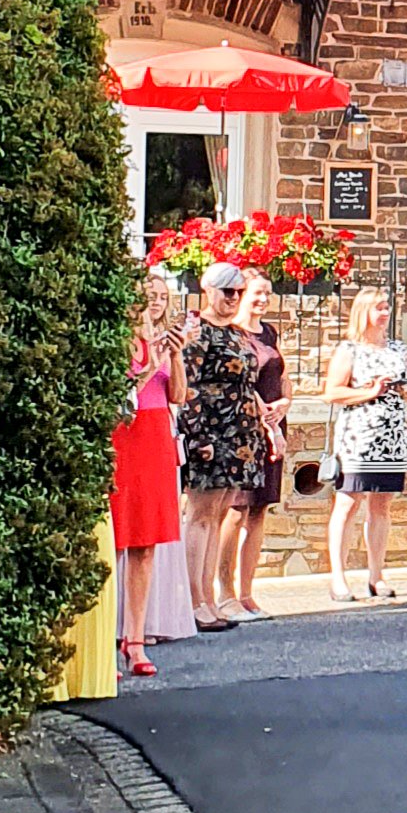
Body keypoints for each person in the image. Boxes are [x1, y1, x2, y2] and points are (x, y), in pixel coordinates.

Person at [178, 264, 268, 628]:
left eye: (237, 292)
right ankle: (193, 600)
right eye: (226, 291)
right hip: (211, 435)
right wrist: (199, 437)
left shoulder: (234, 332)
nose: (232, 298)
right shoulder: (198, 332)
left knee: (218, 515)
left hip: (237, 434)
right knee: (200, 515)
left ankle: (208, 598)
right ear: (207, 290)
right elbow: (188, 386)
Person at [111, 275, 186, 679]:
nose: (156, 302)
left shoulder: (165, 341)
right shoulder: (123, 341)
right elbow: (118, 397)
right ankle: (108, 635)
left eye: (162, 296)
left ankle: (135, 639)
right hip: (125, 436)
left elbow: (178, 395)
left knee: (146, 542)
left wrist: (174, 359)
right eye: (150, 295)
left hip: (157, 435)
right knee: (118, 539)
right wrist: (149, 367)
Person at [324, 285, 407, 600]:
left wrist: (405, 389)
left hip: (391, 435)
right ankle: (338, 578)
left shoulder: (398, 349)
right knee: (349, 502)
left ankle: (376, 575)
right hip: (358, 435)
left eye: (386, 307)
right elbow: (332, 392)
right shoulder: (349, 350)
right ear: (363, 312)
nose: (384, 313)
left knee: (382, 504)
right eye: (378, 308)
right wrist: (369, 391)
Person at [225, 269, 289, 615]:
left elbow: (282, 375)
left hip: (273, 427)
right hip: (244, 429)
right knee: (236, 510)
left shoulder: (268, 332)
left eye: (267, 293)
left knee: (259, 510)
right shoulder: (232, 334)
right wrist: (260, 409)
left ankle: (248, 592)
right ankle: (225, 590)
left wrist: (285, 403)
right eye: (257, 293)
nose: (263, 299)